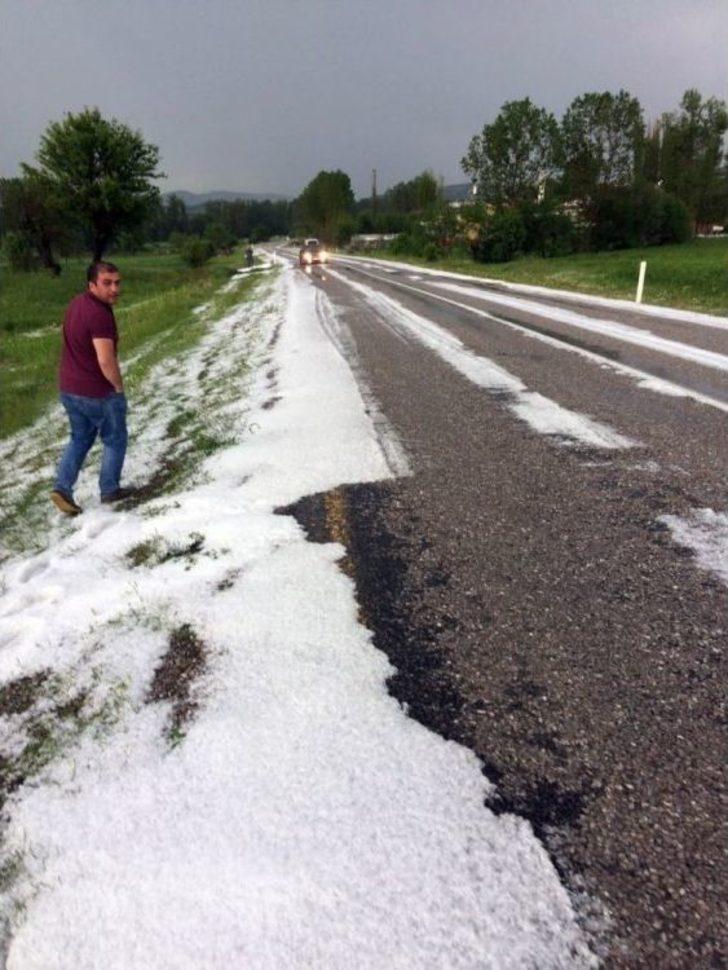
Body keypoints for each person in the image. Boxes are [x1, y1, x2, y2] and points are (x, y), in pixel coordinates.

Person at [50, 261, 133, 515]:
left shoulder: (78, 303)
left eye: (117, 282)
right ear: (92, 284)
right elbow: (106, 360)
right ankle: (110, 491)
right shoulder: (99, 315)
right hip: (96, 392)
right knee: (115, 438)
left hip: (69, 388)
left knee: (80, 437)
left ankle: (62, 488)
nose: (114, 289)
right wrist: (118, 389)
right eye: (107, 283)